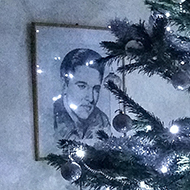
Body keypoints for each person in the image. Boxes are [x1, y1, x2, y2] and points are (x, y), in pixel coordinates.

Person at [53, 48, 111, 141]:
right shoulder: (49, 119)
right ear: (64, 85)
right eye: (82, 86)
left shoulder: (102, 120)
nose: (91, 98)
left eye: (96, 89)